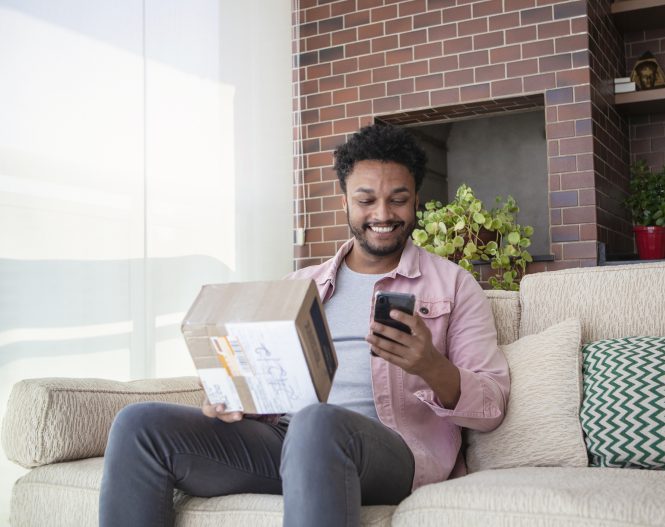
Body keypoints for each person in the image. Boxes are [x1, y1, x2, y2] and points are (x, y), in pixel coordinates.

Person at [99, 123, 510, 527]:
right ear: (344, 202)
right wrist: (234, 395)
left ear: (416, 200)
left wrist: (430, 366)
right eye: (366, 200)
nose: (382, 214)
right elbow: (269, 390)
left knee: (317, 421)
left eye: (397, 200)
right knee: (139, 424)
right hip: (286, 440)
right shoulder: (299, 286)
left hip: (389, 451)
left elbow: (491, 405)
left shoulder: (453, 285)